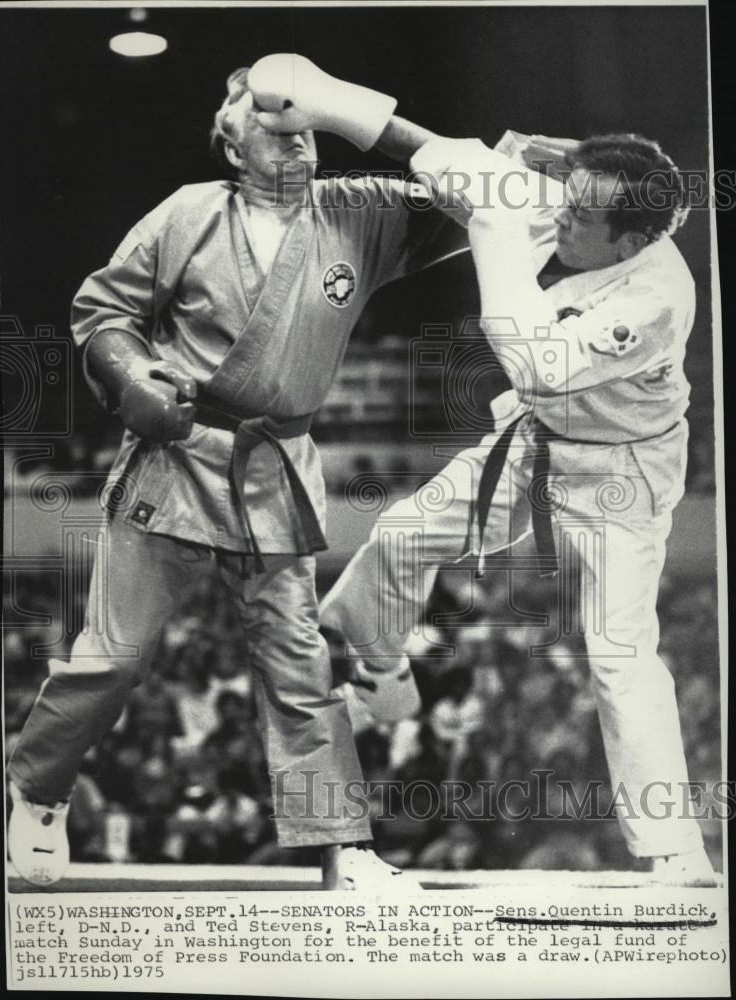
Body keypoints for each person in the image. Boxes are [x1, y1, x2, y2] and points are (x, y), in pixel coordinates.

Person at [6, 56, 468, 888]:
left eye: (307, 131)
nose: (296, 145)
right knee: (112, 656)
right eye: (275, 131)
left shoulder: (358, 212)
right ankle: (37, 792)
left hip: (275, 470)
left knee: (298, 664)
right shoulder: (188, 214)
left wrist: (355, 109)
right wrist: (131, 378)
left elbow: (478, 187)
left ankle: (345, 847)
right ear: (234, 148)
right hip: (176, 456)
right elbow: (101, 311)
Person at [321, 128, 718, 882]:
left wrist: (496, 235)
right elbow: (435, 148)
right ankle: (379, 676)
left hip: (619, 477)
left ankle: (673, 847)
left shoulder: (656, 298)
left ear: (629, 239)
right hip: (534, 443)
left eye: (578, 217)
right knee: (401, 533)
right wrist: (333, 104)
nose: (560, 221)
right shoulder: (599, 202)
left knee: (619, 654)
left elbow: (536, 366)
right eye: (564, 200)